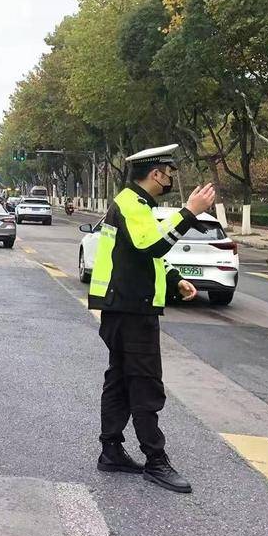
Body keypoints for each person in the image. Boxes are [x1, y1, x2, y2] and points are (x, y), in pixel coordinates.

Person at [87, 144, 216, 494]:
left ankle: (111, 450)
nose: (171, 177)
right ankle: (155, 460)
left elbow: (147, 256)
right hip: (131, 310)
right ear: (155, 174)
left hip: (125, 307)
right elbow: (153, 247)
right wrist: (190, 211)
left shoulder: (140, 206)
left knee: (120, 380)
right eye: (169, 171)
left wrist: (175, 280)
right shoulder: (131, 203)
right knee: (145, 383)